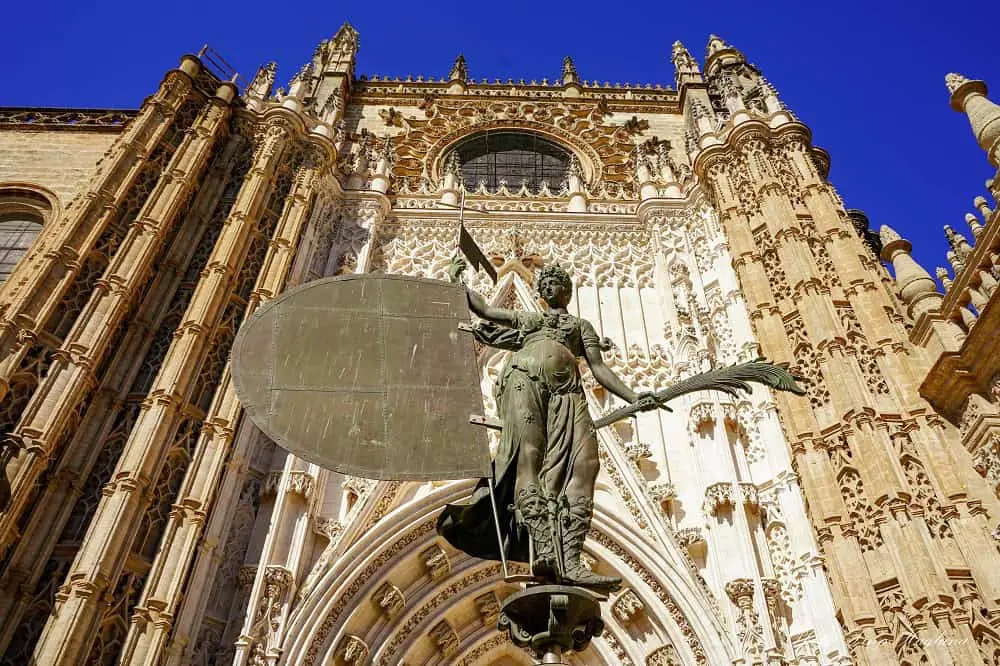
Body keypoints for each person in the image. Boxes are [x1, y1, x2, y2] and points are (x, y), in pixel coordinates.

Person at [437, 257, 662, 589]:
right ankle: (543, 547)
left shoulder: (580, 327)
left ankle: (570, 557)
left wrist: (633, 397)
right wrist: (460, 284)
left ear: (567, 291)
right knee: (527, 456)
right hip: (523, 381)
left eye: (555, 284)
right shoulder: (530, 321)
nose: (549, 288)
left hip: (567, 392)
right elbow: (486, 311)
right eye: (545, 285)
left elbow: (599, 369)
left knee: (585, 463)